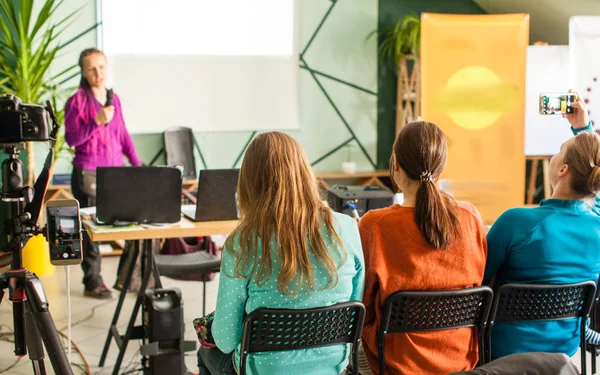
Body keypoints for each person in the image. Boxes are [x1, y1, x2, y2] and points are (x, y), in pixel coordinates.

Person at [196, 132, 364, 375]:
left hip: (263, 369)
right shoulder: (346, 229)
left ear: (249, 182)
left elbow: (225, 339)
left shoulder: (242, 242)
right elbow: (353, 307)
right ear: (305, 173)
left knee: (206, 353)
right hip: (333, 367)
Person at [359, 121, 488, 374]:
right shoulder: (470, 217)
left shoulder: (375, 226)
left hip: (395, 362)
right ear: (441, 166)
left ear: (395, 164)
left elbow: (363, 304)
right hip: (460, 358)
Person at [484, 92, 600, 360]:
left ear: (563, 170)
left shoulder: (515, 222)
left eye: (559, 151)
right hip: (566, 354)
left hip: (504, 354)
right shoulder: (596, 229)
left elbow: (476, 281)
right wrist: (584, 129)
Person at [64, 48, 142, 299]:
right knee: (90, 231)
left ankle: (128, 277)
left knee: (128, 224)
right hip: (88, 174)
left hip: (115, 173)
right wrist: (96, 120)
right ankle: (93, 281)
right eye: (91, 69)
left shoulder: (113, 99)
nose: (98, 73)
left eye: (101, 67)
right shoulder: (75, 102)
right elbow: (72, 139)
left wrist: (138, 166)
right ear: (84, 73)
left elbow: (123, 135)